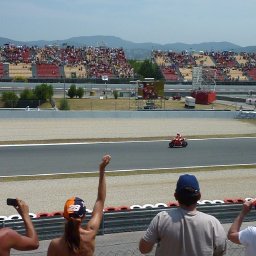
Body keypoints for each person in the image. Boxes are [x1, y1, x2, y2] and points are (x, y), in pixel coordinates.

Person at [139, 174, 227, 256]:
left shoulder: (161, 218)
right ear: (199, 196)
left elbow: (144, 249)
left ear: (175, 196)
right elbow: (220, 251)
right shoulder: (213, 223)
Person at [47, 154, 111, 256]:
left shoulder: (55, 245)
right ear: (84, 215)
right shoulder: (90, 235)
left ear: (64, 215)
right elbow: (100, 200)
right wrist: (102, 169)